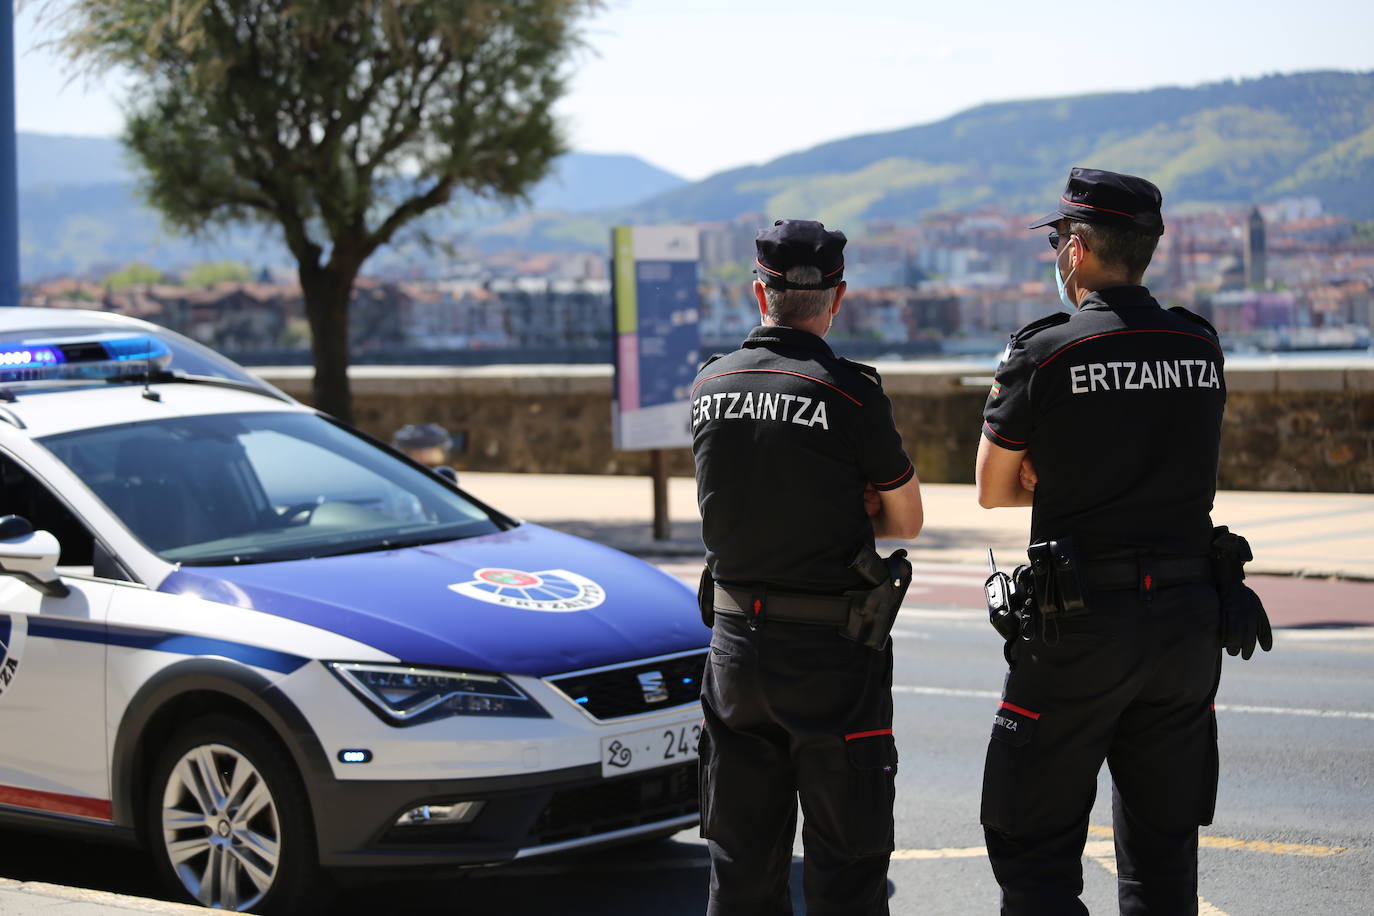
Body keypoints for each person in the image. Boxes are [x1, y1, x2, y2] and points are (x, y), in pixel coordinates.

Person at [975, 168, 1271, 915]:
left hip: (1079, 625)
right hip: (1186, 622)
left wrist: (1057, 474)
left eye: (1056, 241)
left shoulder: (1045, 351)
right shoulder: (1199, 343)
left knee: (1034, 851)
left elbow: (993, 487)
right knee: (1163, 861)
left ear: (1076, 248)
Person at [691, 219, 924, 915]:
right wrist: (854, 502)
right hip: (831, 656)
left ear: (758, 292)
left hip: (735, 648)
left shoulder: (710, 383)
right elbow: (906, 520)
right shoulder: (850, 393)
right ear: (838, 296)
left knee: (740, 870)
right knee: (847, 869)